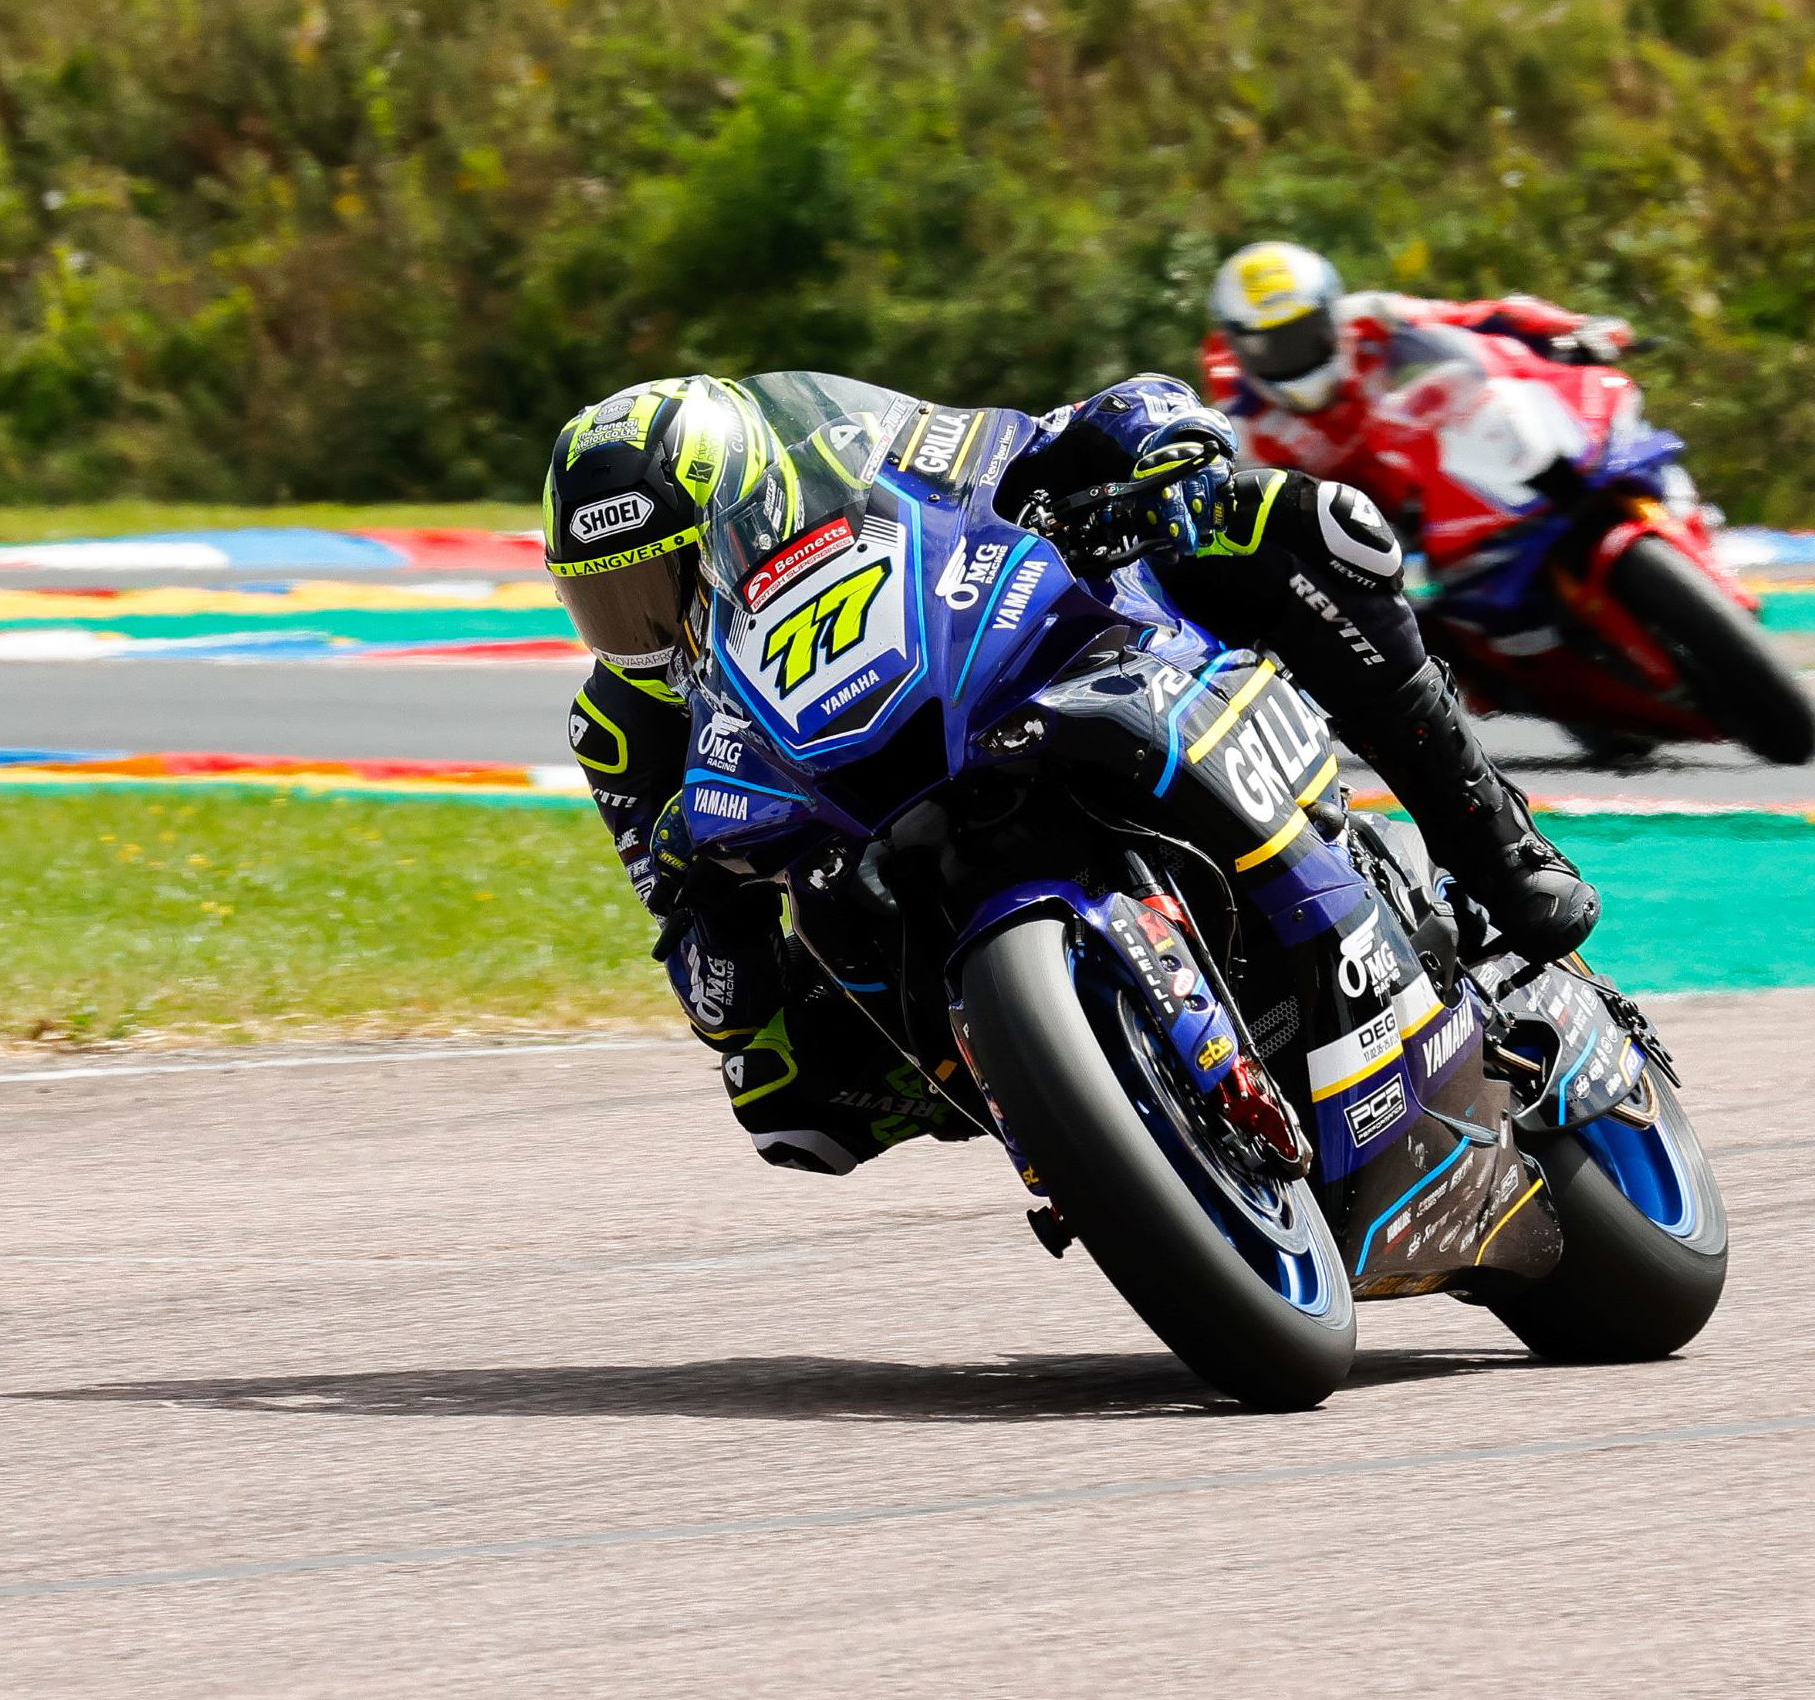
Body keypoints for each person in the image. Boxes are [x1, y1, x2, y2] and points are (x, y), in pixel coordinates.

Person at [544, 371, 1598, 1178]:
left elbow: (1048, 430)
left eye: (658, 583)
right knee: (781, 1094)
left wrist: (1152, 443)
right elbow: (700, 967)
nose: (638, 630)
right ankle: (1070, 1104)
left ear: (747, 513)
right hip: (855, 844)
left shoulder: (855, 459)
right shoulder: (619, 727)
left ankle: (1495, 849)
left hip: (1032, 674)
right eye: (605, 602)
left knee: (1297, 524)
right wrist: (705, 902)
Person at [1200, 239, 1636, 513]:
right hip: (1369, 544)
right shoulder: (1238, 429)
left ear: (1331, 313)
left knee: (1461, 384)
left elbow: (1476, 317)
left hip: (1451, 480)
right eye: (1271, 345)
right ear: (1238, 346)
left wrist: (1572, 328)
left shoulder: (1369, 318)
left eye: (1306, 332)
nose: (1295, 353)